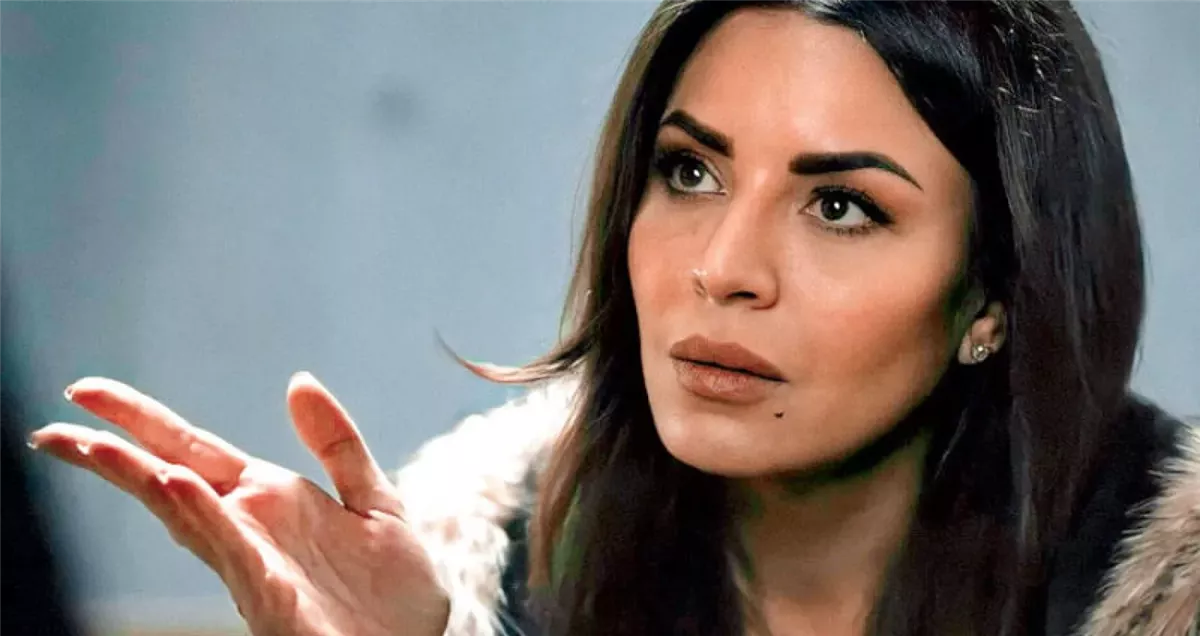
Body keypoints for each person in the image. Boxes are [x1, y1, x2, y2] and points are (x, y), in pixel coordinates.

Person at [27, 0, 1200, 634]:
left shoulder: (1157, 586)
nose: (724, 269)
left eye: (841, 206)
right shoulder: (488, 569)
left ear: (993, 298)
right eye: (690, 172)